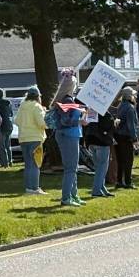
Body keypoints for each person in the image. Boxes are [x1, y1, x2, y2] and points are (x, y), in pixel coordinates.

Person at [52, 71, 86, 206]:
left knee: (72, 167)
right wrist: (80, 121)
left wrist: (80, 111)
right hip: (69, 135)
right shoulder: (67, 99)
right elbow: (66, 121)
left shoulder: (62, 99)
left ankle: (74, 195)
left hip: (65, 135)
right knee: (71, 168)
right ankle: (66, 198)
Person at [16, 86, 47, 194]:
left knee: (28, 164)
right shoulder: (37, 106)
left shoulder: (22, 106)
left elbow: (16, 121)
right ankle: (35, 188)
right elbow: (42, 123)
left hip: (23, 138)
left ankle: (29, 188)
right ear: (38, 96)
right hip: (35, 138)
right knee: (35, 164)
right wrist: (45, 114)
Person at [84, 100, 116, 197]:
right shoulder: (105, 113)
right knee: (102, 167)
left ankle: (102, 188)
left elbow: (87, 124)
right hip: (101, 142)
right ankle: (96, 190)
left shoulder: (91, 111)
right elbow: (107, 127)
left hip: (91, 141)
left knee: (99, 167)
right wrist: (114, 122)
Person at [114, 87, 139, 189]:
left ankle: (119, 181)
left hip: (118, 135)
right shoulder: (130, 107)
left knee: (120, 160)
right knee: (128, 160)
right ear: (130, 96)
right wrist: (134, 139)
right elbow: (131, 125)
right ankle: (128, 182)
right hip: (126, 136)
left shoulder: (120, 106)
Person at [0, 89, 15, 168]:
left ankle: (4, 163)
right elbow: (11, 114)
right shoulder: (8, 103)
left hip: (1, 126)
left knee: (1, 146)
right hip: (9, 125)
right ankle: (10, 161)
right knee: (8, 145)